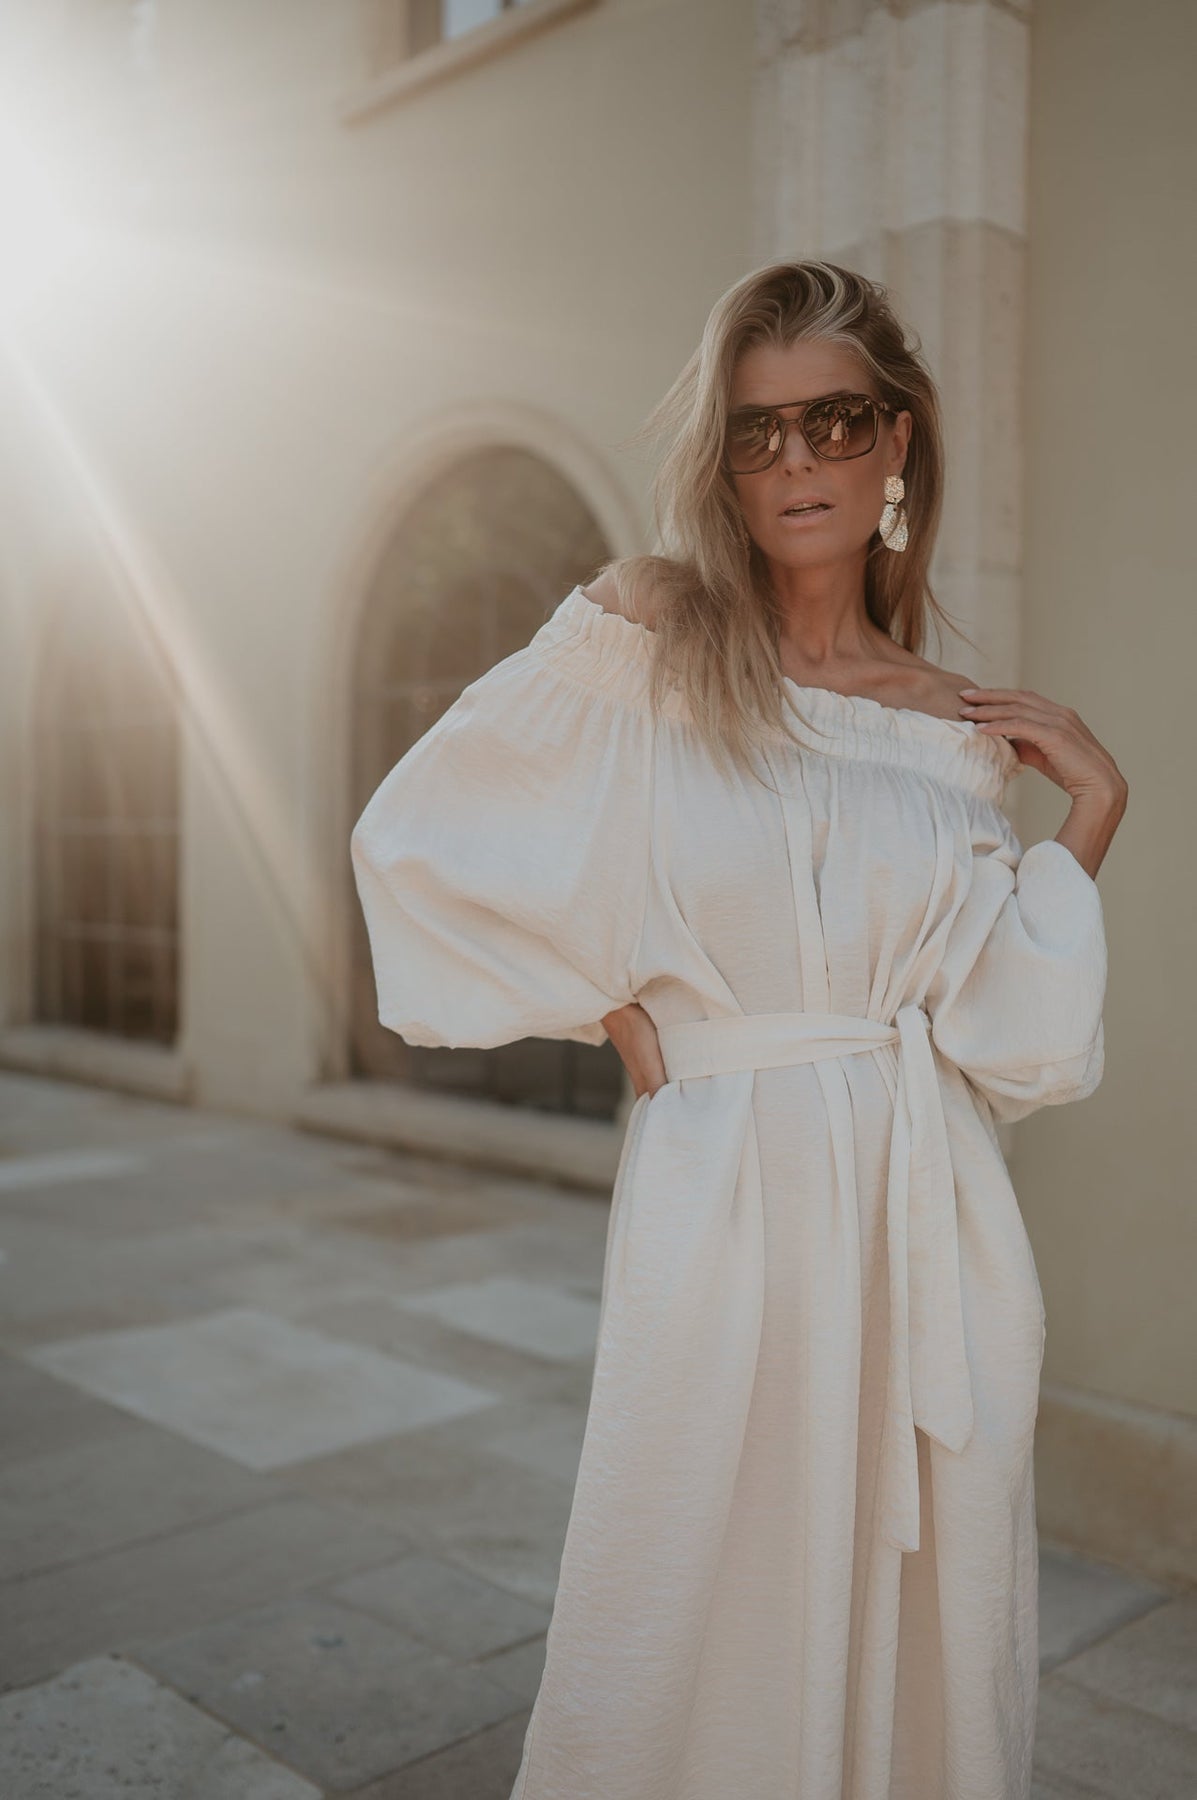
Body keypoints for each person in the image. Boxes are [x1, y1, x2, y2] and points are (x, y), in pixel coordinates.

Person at [351, 260, 1127, 1800]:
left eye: (832, 421)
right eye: (755, 431)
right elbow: (420, 840)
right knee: (688, 1581)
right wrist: (600, 999)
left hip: (930, 1215)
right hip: (723, 1194)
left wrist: (1089, 815)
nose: (794, 463)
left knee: (925, 1608)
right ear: (720, 460)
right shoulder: (650, 631)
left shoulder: (951, 725)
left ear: (895, 438)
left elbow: (1005, 1044)